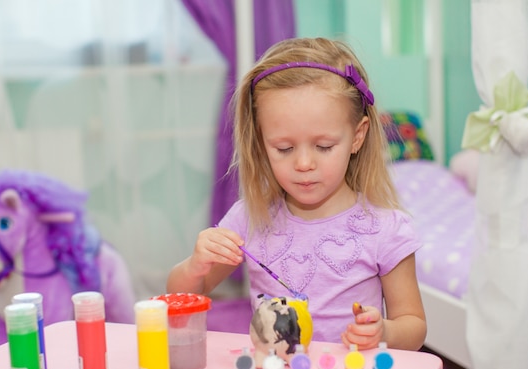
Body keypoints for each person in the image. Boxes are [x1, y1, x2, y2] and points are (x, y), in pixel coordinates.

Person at [167, 37, 426, 351]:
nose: (304, 164)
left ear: (357, 137)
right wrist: (196, 265)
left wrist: (384, 331)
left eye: (324, 146)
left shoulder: (386, 229)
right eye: (284, 148)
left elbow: (413, 325)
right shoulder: (250, 218)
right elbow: (182, 298)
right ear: (262, 143)